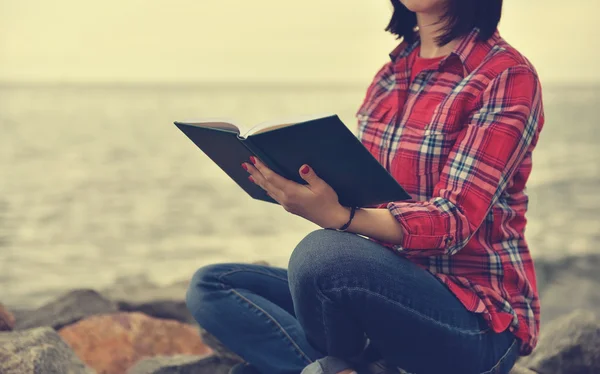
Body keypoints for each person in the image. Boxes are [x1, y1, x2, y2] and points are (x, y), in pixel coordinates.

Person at [185, 0, 543, 373]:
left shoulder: (506, 75)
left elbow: (453, 221)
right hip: (383, 296)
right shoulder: (390, 76)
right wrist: (300, 183)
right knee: (212, 286)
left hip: (474, 320)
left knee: (320, 256)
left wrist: (340, 217)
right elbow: (366, 189)